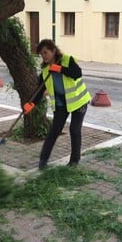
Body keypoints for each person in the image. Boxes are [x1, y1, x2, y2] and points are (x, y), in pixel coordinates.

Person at [23, 39, 91, 169]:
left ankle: (74, 161)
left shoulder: (67, 60)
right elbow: (38, 91)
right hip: (61, 104)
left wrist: (60, 69)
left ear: (53, 50)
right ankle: (43, 160)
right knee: (54, 131)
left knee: (74, 130)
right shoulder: (45, 72)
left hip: (78, 101)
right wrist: (30, 105)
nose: (44, 56)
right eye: (41, 54)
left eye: (45, 52)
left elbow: (77, 74)